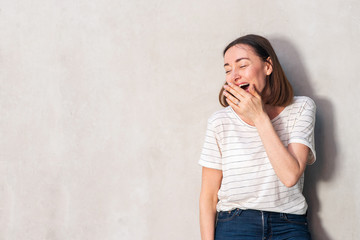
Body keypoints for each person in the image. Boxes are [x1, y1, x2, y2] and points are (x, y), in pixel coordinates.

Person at [199, 34, 316, 240]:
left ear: (268, 66)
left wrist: (259, 116)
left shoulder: (301, 108)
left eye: (242, 65)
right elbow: (208, 197)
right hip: (235, 224)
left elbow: (290, 176)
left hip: (289, 225)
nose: (234, 76)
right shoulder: (220, 122)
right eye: (228, 70)